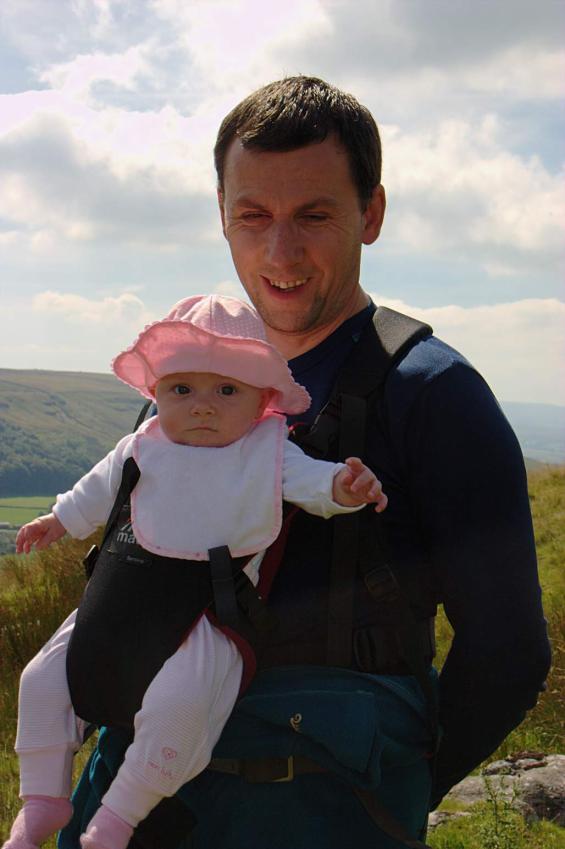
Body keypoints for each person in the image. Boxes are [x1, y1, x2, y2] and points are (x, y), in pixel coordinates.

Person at [60, 76, 551, 849]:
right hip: (131, 806)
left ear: (371, 213)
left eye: (313, 215)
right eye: (252, 216)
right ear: (221, 217)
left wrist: (390, 795)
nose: (279, 251)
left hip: (318, 815)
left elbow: (509, 651)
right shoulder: (182, 384)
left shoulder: (433, 395)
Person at [3, 293, 388, 849]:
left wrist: (345, 488)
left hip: (208, 611)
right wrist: (58, 519)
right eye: (182, 389)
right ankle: (42, 802)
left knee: (181, 708)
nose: (202, 406)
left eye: (227, 390)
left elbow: (313, 484)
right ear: (156, 393)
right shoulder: (144, 445)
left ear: (262, 401)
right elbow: (96, 490)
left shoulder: (267, 451)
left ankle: (117, 817)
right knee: (40, 680)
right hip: (124, 594)